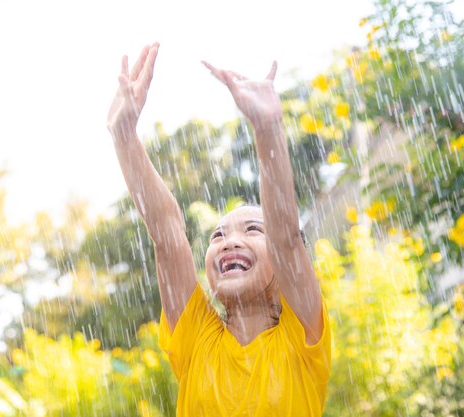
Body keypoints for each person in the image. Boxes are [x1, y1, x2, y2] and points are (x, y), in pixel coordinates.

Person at [107, 43, 331, 417]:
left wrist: (268, 129)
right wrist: (124, 136)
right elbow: (167, 235)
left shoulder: (302, 336)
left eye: (252, 230)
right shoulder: (196, 338)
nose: (230, 242)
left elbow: (287, 239)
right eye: (218, 236)